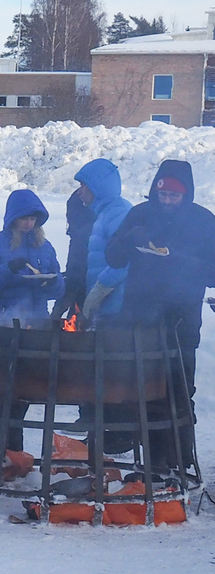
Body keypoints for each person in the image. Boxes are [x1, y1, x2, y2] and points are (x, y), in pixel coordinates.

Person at [106, 160, 215, 470]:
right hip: (139, 320)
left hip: (182, 322)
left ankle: (180, 461)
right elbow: (112, 259)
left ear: (187, 195)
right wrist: (128, 239)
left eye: (174, 197)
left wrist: (179, 260)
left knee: (180, 392)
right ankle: (152, 466)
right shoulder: (140, 214)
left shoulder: (204, 222)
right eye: (163, 195)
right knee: (144, 392)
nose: (167, 202)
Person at [0, 189, 63, 453]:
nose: (29, 223)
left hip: (35, 330)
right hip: (3, 330)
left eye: (33, 218)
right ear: (13, 217)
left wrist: (53, 281)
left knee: (25, 397)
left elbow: (57, 290)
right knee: (7, 399)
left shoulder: (44, 247)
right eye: (24, 217)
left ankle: (15, 457)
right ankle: (4, 457)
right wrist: (7, 270)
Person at [74, 159, 131, 324]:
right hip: (107, 308)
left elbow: (127, 257)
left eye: (83, 185)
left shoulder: (118, 212)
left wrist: (100, 289)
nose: (79, 192)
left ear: (97, 187)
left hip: (117, 308)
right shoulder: (105, 213)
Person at [53, 189, 96, 319]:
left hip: (90, 292)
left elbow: (78, 269)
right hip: (84, 288)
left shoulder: (84, 236)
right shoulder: (89, 232)